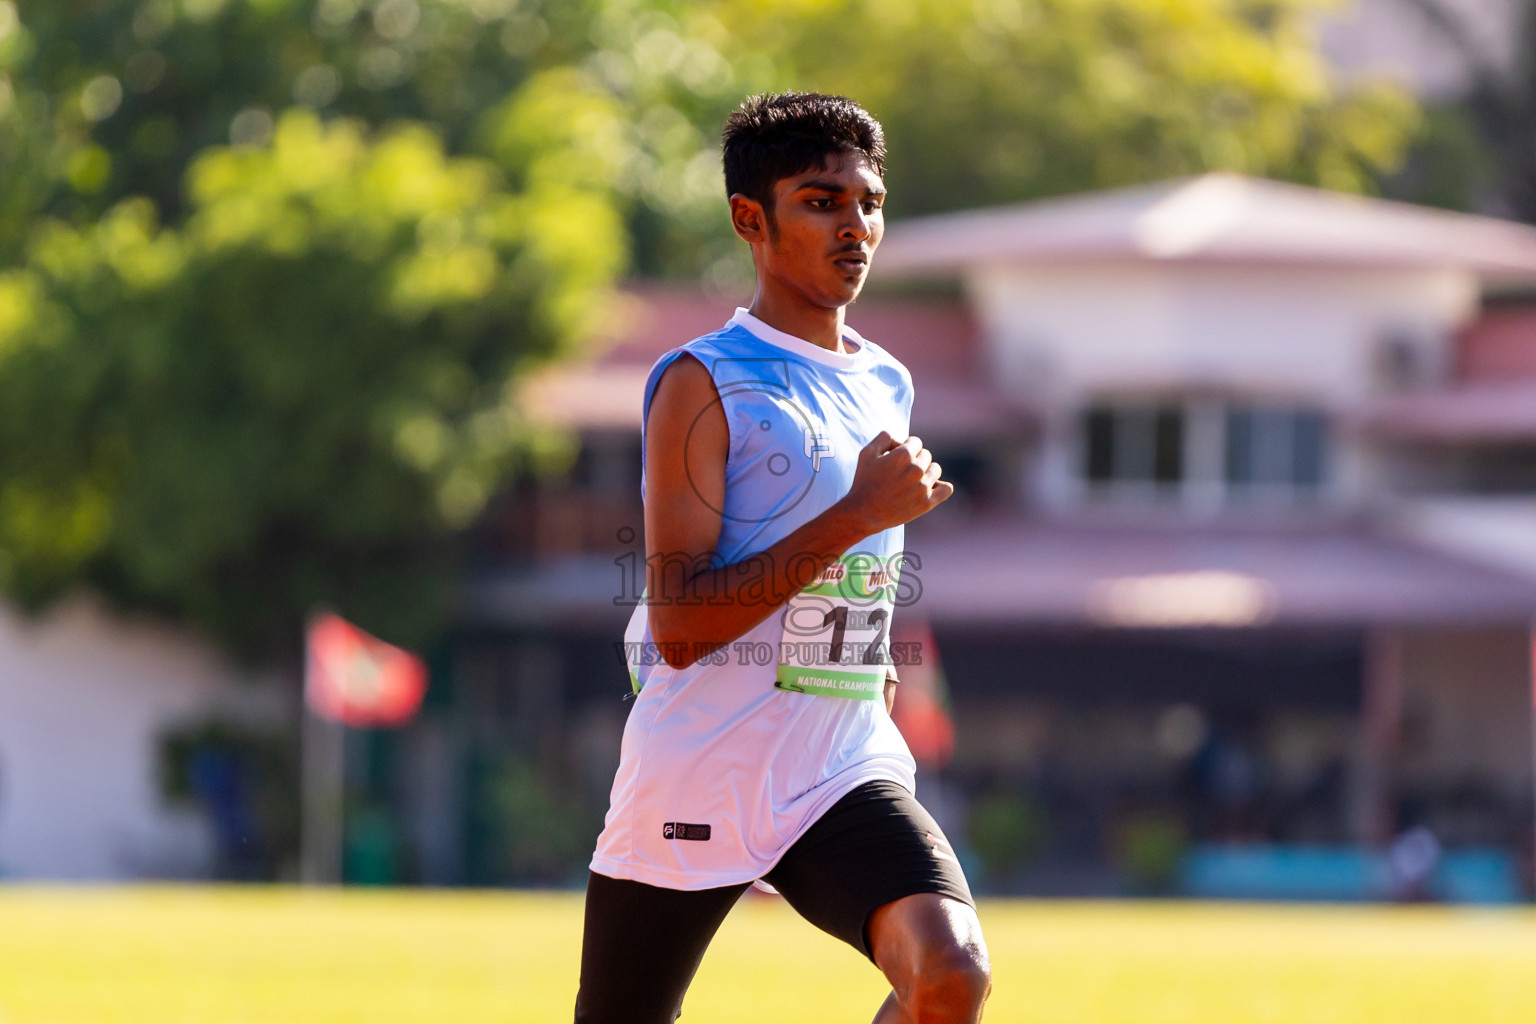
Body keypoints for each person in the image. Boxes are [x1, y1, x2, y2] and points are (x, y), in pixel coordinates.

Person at [575, 92, 991, 1024]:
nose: (855, 228)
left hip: (838, 764)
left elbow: (862, 564)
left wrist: (873, 656)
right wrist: (857, 513)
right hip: (702, 762)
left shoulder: (887, 379)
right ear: (749, 220)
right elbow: (681, 628)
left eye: (869, 203)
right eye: (821, 202)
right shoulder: (701, 381)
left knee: (949, 973)